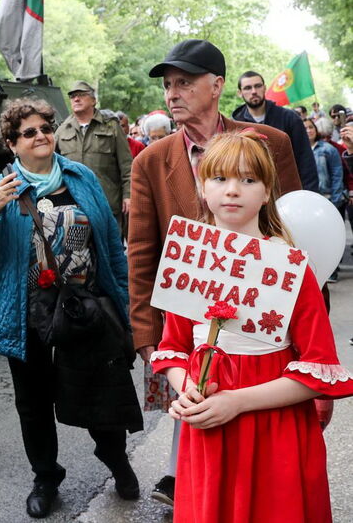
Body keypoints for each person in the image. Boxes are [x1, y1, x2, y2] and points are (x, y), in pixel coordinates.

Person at [128, 39, 303, 506]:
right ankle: (193, 491)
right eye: (168, 85)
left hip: (262, 318)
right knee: (196, 410)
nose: (173, 93)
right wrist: (145, 334)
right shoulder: (150, 161)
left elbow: (295, 233)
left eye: (184, 83)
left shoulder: (270, 143)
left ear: (217, 86)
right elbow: (142, 252)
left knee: (260, 434)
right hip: (187, 319)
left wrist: (307, 323)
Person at [151, 129, 353, 522]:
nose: (232, 190)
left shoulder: (291, 268)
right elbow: (173, 348)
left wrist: (237, 402)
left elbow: (319, 371)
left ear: (266, 192)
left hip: (274, 428)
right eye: (220, 178)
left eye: (248, 179)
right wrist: (187, 388)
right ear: (203, 188)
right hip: (209, 427)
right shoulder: (190, 260)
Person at [0, 98, 142, 519]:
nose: (41, 136)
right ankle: (46, 477)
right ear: (11, 143)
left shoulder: (80, 176)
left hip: (83, 307)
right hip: (26, 314)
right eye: (29, 132)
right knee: (33, 403)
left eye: (46, 128)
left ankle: (117, 461)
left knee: (99, 391)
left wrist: (125, 303)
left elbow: (109, 242)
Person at [54, 81, 133, 229]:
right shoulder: (62, 130)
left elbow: (127, 165)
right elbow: (52, 166)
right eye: (72, 96)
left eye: (81, 95)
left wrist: (128, 195)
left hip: (107, 204)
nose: (76, 99)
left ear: (93, 100)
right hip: (74, 206)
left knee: (111, 243)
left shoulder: (111, 126)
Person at [231, 71, 318, 191]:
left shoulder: (289, 118)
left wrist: (308, 195)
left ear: (264, 88)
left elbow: (305, 160)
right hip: (248, 192)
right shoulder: (234, 125)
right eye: (247, 88)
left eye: (258, 86)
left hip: (286, 191)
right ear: (240, 93)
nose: (254, 91)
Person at [306, 117, 345, 283]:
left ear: (316, 130)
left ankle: (332, 270)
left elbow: (337, 174)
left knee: (329, 237)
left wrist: (336, 199)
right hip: (307, 201)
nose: (308, 130)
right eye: (304, 128)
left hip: (327, 197)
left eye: (311, 127)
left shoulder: (328, 149)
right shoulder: (298, 150)